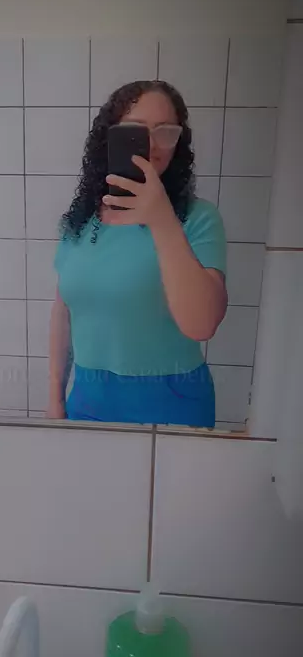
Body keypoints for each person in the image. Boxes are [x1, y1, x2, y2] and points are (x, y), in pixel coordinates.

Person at [47, 79, 227, 427]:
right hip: (88, 400)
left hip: (173, 404)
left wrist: (162, 219)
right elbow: (63, 312)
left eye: (166, 131)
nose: (151, 144)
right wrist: (54, 397)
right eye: (135, 131)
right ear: (109, 137)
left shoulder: (198, 219)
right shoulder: (81, 221)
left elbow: (202, 324)